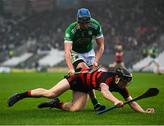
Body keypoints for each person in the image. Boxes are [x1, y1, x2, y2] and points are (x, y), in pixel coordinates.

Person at [8, 67, 155, 113]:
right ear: (117, 77)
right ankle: (21, 95)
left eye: (126, 82)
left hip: (84, 87)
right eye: (124, 80)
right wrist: (116, 101)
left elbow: (131, 102)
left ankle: (55, 104)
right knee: (50, 92)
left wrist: (143, 112)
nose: (125, 84)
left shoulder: (122, 88)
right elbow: (105, 92)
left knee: (75, 109)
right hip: (76, 79)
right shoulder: (107, 78)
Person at [64, 8, 105, 111]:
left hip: (89, 52)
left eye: (87, 23)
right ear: (78, 22)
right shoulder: (71, 30)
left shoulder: (95, 25)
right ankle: (95, 103)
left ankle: (95, 103)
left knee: (90, 78)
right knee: (85, 71)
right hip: (76, 53)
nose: (85, 25)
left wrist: (96, 60)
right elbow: (67, 51)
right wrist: (70, 68)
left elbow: (101, 46)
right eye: (82, 23)